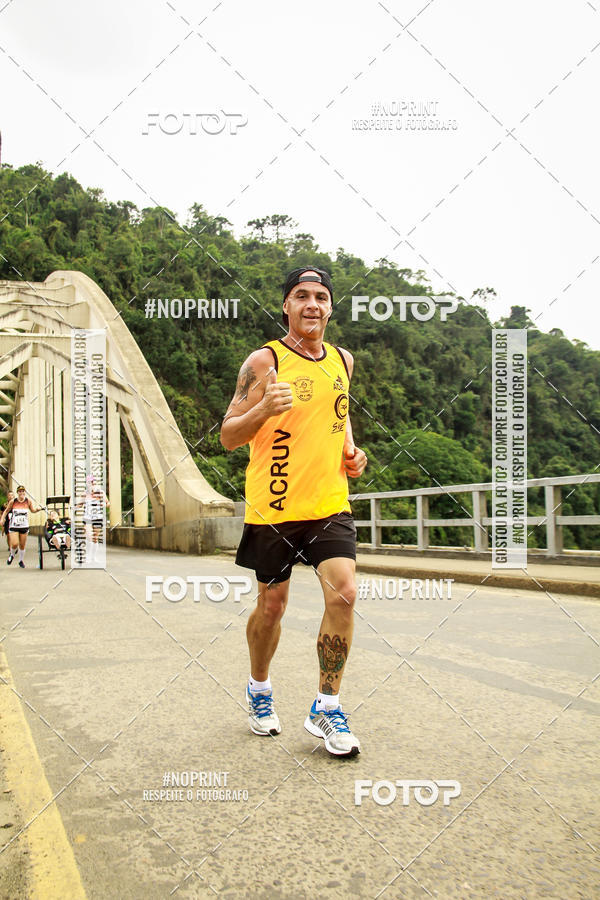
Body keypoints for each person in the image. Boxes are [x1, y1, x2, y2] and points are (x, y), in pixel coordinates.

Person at [220, 267, 368, 757]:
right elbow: (228, 436)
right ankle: (259, 689)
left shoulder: (343, 361)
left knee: (344, 593)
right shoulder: (265, 361)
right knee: (272, 606)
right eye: (301, 296)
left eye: (321, 297)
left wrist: (353, 452)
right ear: (286, 306)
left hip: (329, 503)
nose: (312, 304)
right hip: (275, 507)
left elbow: (339, 416)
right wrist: (263, 410)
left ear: (330, 307)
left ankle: (327, 705)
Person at [0, 485, 43, 568]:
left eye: (23, 491)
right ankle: (12, 555)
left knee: (22, 545)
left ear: (25, 492)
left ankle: (21, 560)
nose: (21, 493)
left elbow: (32, 510)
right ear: (17, 493)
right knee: (15, 544)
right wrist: (2, 519)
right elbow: (6, 511)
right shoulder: (13, 501)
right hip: (14, 525)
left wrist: (38, 509)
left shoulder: (28, 501)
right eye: (20, 491)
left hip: (24, 525)